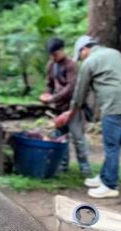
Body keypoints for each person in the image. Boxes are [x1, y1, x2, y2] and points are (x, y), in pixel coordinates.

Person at [56, 35, 121, 199]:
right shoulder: (115, 53)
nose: (80, 59)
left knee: (111, 147)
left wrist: (69, 113)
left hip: (113, 106)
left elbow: (80, 93)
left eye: (80, 56)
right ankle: (104, 176)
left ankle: (110, 185)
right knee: (115, 145)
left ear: (84, 49)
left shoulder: (89, 62)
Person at [39, 37, 91, 177]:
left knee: (78, 138)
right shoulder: (51, 65)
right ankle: (62, 166)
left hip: (73, 108)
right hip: (59, 108)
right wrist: (46, 94)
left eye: (55, 54)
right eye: (51, 55)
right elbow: (49, 83)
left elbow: (71, 87)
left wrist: (53, 98)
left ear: (62, 50)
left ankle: (85, 169)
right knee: (61, 137)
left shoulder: (71, 65)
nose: (53, 57)